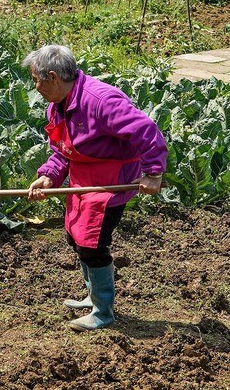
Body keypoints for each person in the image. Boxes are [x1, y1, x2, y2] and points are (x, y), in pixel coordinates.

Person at [23, 44, 166, 332]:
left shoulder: (101, 101)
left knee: (93, 245)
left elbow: (145, 129)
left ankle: (104, 311)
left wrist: (153, 171)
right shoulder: (58, 104)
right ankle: (93, 296)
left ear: (52, 77)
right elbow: (64, 150)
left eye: (36, 79)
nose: (35, 86)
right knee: (75, 238)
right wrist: (50, 175)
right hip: (82, 180)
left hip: (109, 183)